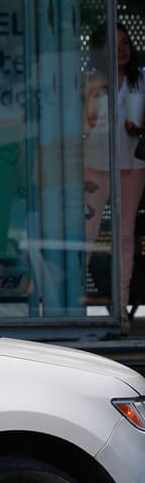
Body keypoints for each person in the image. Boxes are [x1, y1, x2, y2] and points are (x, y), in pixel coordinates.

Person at [84, 22, 145, 332]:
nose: (121, 49)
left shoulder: (141, 79)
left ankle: (120, 309)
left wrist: (141, 127)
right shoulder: (91, 82)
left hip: (133, 164)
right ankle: (71, 306)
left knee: (124, 235)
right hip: (96, 162)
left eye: (125, 42)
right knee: (87, 232)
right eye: (114, 43)